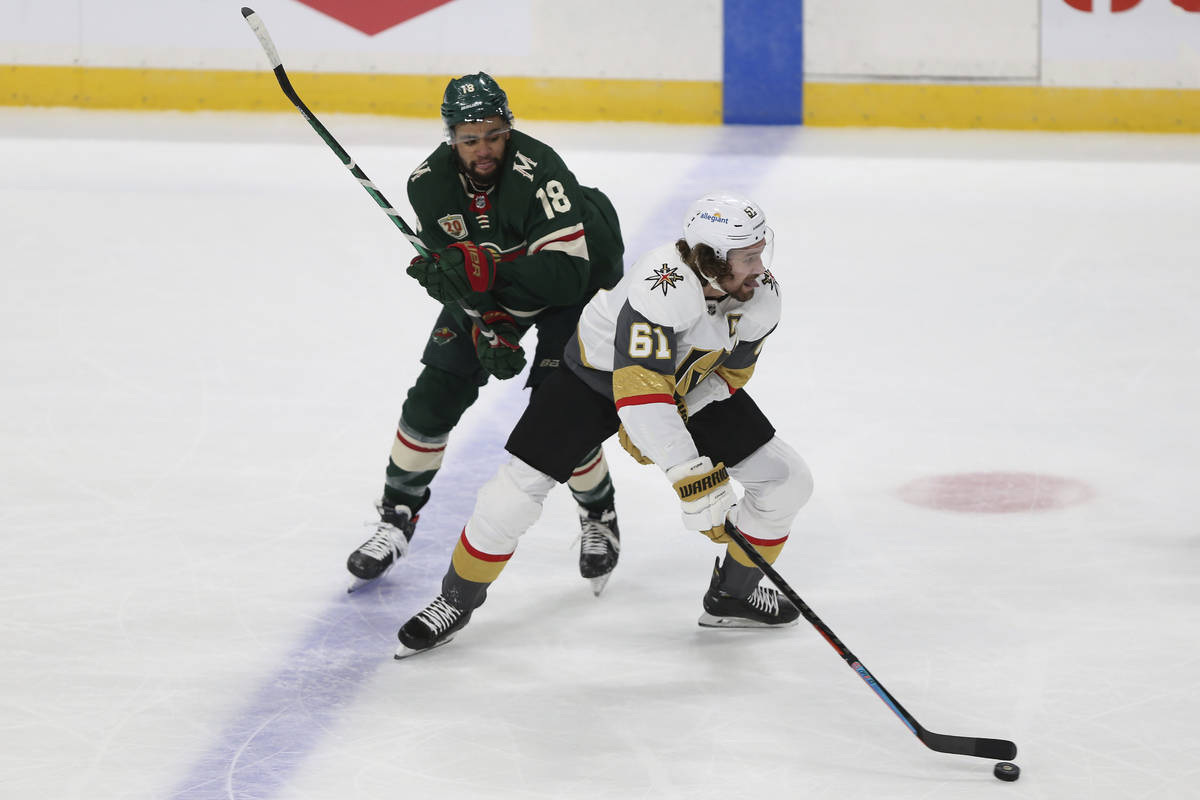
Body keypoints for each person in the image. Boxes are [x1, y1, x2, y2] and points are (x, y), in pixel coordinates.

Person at [394, 192, 815, 657]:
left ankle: (733, 594)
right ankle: (454, 600)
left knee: (786, 480)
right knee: (511, 494)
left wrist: (685, 418)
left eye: (761, 252)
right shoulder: (663, 284)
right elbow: (638, 394)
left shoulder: (760, 297)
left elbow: (729, 376)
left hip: (679, 388)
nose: (761, 268)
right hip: (592, 378)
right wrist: (693, 479)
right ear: (712, 261)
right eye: (748, 257)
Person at [346, 72, 626, 594]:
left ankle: (600, 514)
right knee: (433, 396)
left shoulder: (540, 170)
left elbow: (565, 278)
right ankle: (397, 515)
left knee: (557, 410)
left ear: (509, 129)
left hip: (580, 284)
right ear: (451, 136)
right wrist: (486, 320)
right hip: (503, 290)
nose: (483, 149)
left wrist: (486, 273)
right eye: (470, 138)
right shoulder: (428, 184)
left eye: (494, 135)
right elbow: (455, 279)